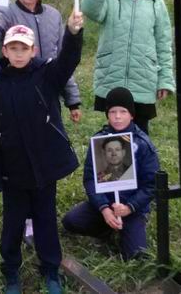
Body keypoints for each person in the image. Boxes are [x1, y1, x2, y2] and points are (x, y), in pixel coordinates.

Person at [0, 16, 84, 294]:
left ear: (33, 50)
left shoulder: (47, 75)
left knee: (45, 218)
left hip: (44, 167)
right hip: (13, 170)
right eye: (13, 48)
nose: (18, 54)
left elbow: (69, 60)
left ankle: (50, 269)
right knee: (12, 223)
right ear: (4, 51)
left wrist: (73, 33)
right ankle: (11, 272)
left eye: (23, 48)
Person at [81, 0, 175, 135]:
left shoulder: (155, 3)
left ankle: (142, 164)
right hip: (112, 78)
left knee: (140, 134)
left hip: (143, 80)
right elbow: (90, 9)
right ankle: (113, 164)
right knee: (114, 134)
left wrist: (165, 79)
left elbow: (163, 44)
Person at [62, 88, 159, 261]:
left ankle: (130, 229)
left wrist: (129, 207)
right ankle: (106, 228)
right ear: (107, 115)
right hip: (105, 203)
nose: (118, 116)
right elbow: (90, 179)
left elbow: (151, 185)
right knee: (71, 221)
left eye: (123, 111)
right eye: (113, 112)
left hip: (131, 208)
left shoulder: (142, 144)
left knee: (136, 255)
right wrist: (104, 208)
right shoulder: (100, 140)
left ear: (132, 115)